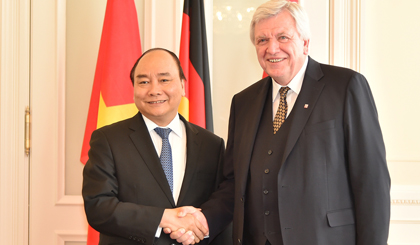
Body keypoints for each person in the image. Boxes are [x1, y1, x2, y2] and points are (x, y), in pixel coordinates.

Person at [174, 0, 391, 244]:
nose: (272, 48)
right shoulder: (243, 102)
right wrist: (204, 220)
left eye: (283, 37)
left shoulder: (346, 87)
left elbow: (371, 184)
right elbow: (234, 184)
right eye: (262, 40)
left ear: (305, 43)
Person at [82, 48, 232, 245]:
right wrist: (162, 218)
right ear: (133, 88)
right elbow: (98, 206)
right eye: (143, 82)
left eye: (164, 80)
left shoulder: (211, 144)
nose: (154, 90)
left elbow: (222, 205)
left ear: (183, 85)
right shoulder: (108, 140)